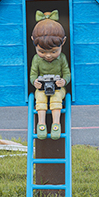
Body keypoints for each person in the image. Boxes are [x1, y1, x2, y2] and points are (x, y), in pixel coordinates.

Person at [29, 11, 71, 139]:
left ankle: (56, 124)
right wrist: (35, 82)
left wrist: (63, 81)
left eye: (53, 51)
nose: (48, 55)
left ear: (63, 42)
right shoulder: (36, 59)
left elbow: (67, 73)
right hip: (42, 89)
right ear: (33, 43)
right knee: (40, 98)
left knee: (56, 97)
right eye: (42, 51)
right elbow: (33, 74)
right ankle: (41, 124)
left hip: (58, 88)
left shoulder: (62, 58)